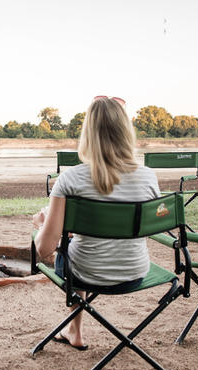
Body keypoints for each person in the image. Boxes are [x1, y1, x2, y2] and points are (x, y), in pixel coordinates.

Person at [32, 96, 160, 350]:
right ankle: (73, 331)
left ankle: (76, 330)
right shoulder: (148, 178)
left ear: (88, 133)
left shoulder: (70, 180)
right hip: (134, 273)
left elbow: (43, 250)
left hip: (85, 275)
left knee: (72, 251)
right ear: (126, 132)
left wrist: (42, 225)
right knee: (79, 246)